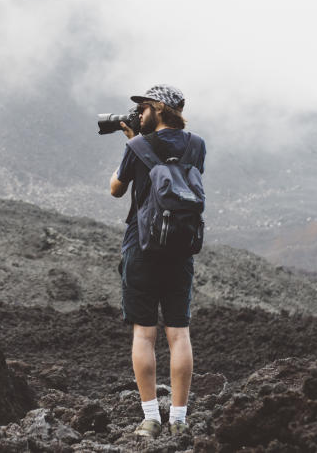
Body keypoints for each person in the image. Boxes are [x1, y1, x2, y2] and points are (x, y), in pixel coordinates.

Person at [108, 84, 206, 439]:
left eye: (145, 106)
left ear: (160, 108)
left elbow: (116, 189)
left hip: (143, 245)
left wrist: (132, 143)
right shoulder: (197, 145)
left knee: (144, 334)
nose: (140, 112)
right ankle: (179, 420)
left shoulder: (137, 145)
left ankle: (150, 418)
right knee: (179, 333)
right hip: (180, 247)